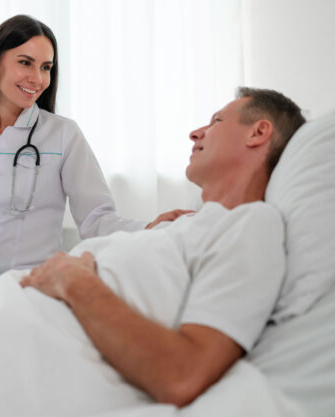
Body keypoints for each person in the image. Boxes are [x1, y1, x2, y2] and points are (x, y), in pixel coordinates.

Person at [20, 87, 306, 406]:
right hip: (2, 320)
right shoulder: (187, 225)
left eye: (216, 121)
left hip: (19, 345)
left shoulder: (251, 225)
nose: (195, 132)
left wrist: (73, 281)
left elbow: (183, 375)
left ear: (258, 132)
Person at [0, 15, 155, 293]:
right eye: (25, 62)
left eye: (46, 67)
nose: (37, 79)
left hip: (34, 295)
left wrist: (153, 228)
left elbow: (97, 221)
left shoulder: (64, 135)